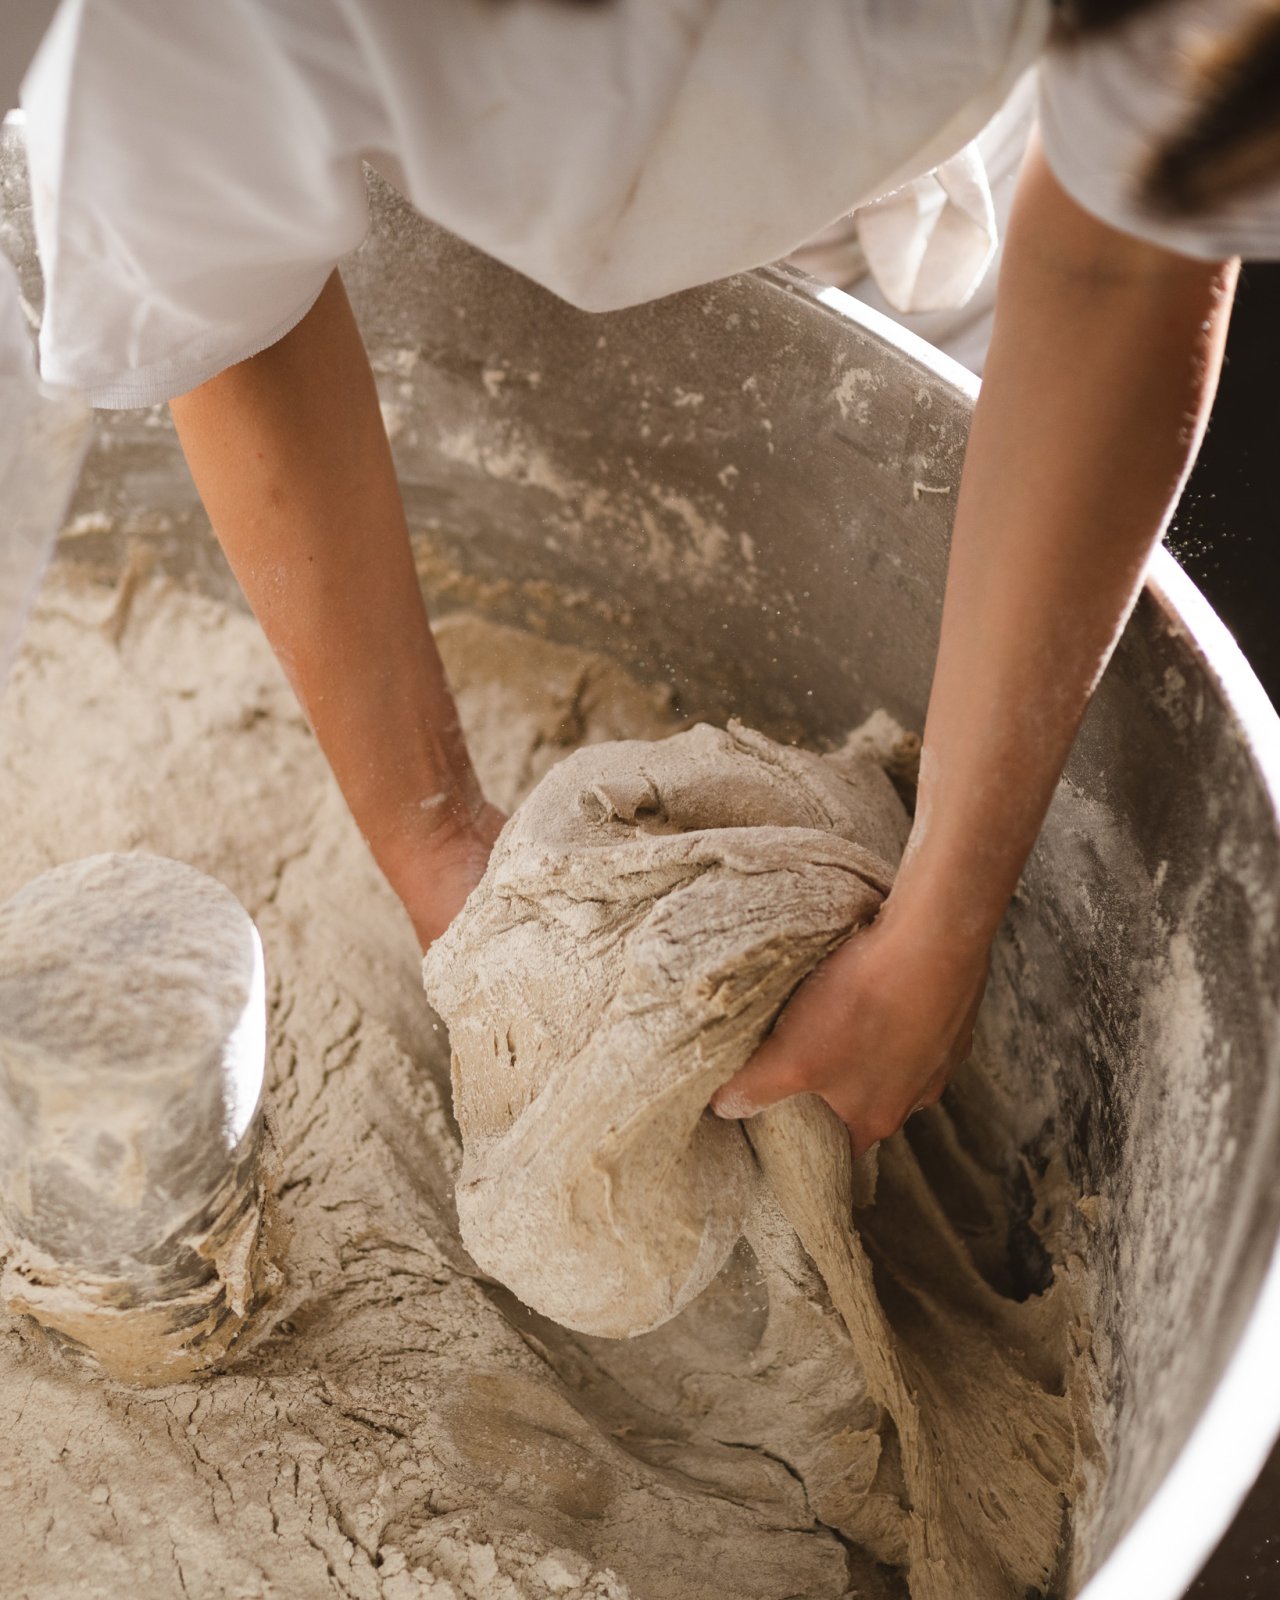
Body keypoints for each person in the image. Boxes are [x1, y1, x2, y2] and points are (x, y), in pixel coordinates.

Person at [13, 0, 1280, 1159]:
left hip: (967, 189)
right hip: (469, 200)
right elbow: (226, 308)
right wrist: (432, 837)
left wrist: (943, 922)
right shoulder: (178, 26)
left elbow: (1121, 252)